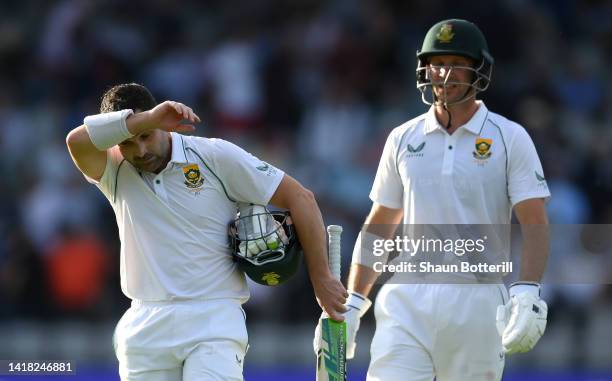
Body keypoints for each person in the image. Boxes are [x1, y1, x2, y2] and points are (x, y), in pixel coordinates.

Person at [66, 83, 348, 381]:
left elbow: (301, 198)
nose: (141, 150)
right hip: (144, 326)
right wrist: (148, 120)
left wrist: (322, 279)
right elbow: (76, 141)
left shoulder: (214, 156)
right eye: (128, 142)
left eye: (146, 137)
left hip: (213, 320)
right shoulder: (112, 168)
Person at [323, 19, 551, 380]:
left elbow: (535, 220)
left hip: (477, 300)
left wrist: (527, 290)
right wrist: (354, 301)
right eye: (438, 64)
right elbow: (380, 223)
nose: (446, 74)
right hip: (406, 298)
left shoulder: (510, 137)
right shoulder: (402, 137)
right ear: (425, 69)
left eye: (457, 63)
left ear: (478, 69)